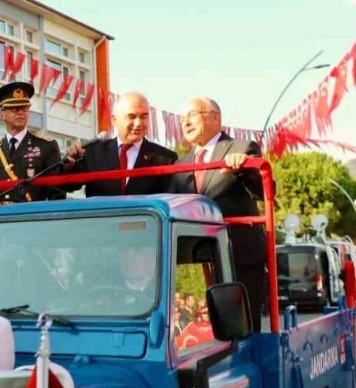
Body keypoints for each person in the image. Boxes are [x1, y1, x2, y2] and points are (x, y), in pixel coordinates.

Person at [168, 97, 271, 319]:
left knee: (241, 326)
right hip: (197, 260)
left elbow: (266, 191)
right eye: (182, 119)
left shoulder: (241, 148)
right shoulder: (180, 163)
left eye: (192, 115)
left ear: (215, 116)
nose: (185, 123)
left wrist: (243, 169)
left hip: (239, 256)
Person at [62, 92, 177, 197]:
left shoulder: (165, 158)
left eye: (143, 116)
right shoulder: (94, 153)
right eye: (131, 116)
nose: (138, 123)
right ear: (114, 120)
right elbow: (68, 185)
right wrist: (68, 166)